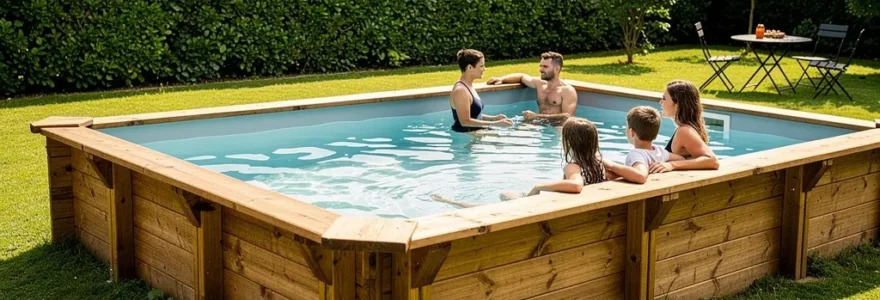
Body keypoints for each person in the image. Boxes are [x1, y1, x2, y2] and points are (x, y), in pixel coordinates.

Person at [430, 117, 606, 208]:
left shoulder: (573, 166)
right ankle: (521, 196)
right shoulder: (599, 162)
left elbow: (576, 185)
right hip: (562, 204)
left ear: (569, 142)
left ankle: (449, 201)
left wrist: (539, 186)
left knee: (486, 208)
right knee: (505, 194)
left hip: (550, 209)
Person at [648, 80, 720, 173]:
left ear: (677, 105)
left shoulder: (685, 131)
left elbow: (712, 161)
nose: (661, 102)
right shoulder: (687, 129)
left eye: (664, 98)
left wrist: (672, 165)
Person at [486, 52, 577, 125]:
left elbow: (567, 117)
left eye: (545, 67)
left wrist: (536, 116)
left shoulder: (567, 91)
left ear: (556, 69)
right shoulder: (540, 84)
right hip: (538, 123)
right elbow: (521, 76)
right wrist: (501, 79)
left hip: (556, 126)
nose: (541, 69)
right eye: (540, 66)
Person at [604, 106, 684, 184]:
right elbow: (681, 159)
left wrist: (611, 165)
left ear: (632, 132)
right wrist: (668, 165)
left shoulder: (636, 154)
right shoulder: (659, 151)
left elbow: (640, 176)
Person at [450, 49, 513, 132]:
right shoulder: (460, 91)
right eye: (481, 66)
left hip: (474, 133)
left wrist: (494, 118)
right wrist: (496, 123)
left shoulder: (468, 86)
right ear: (470, 67)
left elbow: (475, 115)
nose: (484, 69)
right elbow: (465, 122)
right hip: (465, 137)